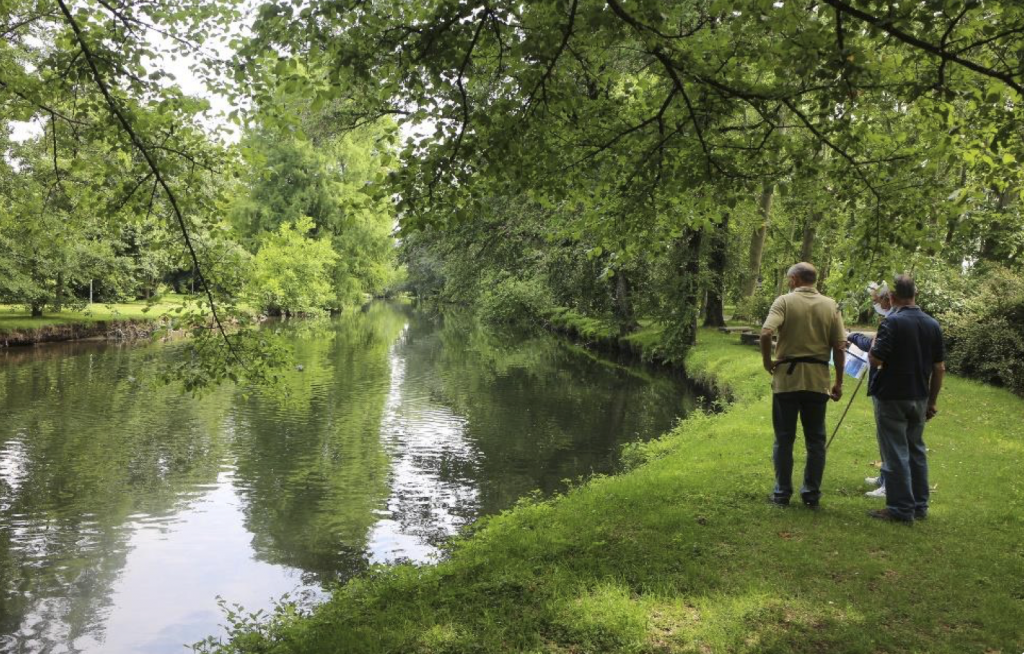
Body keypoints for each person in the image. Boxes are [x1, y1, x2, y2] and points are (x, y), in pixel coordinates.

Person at [760, 262, 846, 509]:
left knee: (784, 439)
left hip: (787, 379)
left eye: (789, 279)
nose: (788, 282)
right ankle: (811, 495)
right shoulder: (831, 305)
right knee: (816, 440)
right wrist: (838, 382)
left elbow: (766, 333)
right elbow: (840, 347)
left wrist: (769, 362)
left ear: (796, 279)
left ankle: (781, 494)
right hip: (818, 381)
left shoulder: (784, 302)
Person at [867, 274, 945, 524]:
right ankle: (920, 505)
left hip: (892, 396)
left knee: (895, 453)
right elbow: (939, 367)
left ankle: (900, 509)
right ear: (915, 294)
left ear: (891, 297)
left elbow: (876, 359)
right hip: (919, 396)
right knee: (916, 451)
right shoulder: (932, 324)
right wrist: (932, 401)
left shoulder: (892, 323)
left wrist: (874, 342)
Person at [848, 282, 893, 498]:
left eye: (876, 301)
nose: (875, 305)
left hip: (888, 387)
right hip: (883, 386)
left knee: (890, 438)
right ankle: (885, 476)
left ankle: (889, 485)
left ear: (887, 299)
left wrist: (854, 337)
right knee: (883, 435)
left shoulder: (893, 322)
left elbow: (875, 348)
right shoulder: (890, 319)